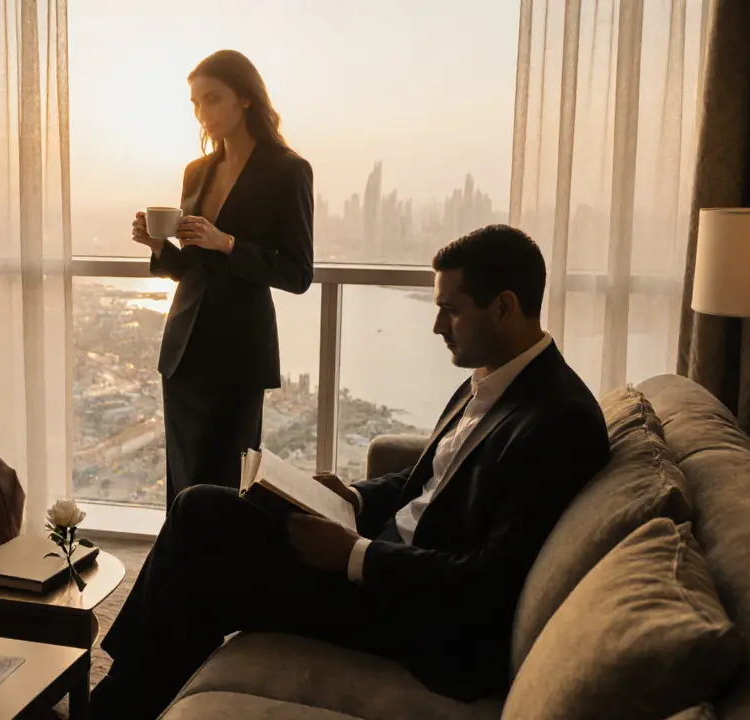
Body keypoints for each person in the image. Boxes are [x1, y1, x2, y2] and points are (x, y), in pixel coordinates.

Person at [92, 225, 611, 719]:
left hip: (417, 613)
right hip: (381, 550)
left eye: (450, 311)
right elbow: (431, 479)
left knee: (204, 581)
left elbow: (487, 582)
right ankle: (120, 681)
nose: (437, 327)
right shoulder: (494, 376)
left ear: (504, 307)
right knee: (198, 506)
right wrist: (354, 499)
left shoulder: (559, 421)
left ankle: (114, 706)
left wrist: (353, 556)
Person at [131, 50, 314, 510]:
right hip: (184, 353)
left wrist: (228, 243)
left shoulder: (287, 171)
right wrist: (158, 247)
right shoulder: (197, 172)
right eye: (195, 103)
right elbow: (192, 270)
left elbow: (297, 273)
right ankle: (181, 557)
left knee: (226, 487)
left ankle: (223, 559)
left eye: (212, 99)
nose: (202, 113)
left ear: (246, 98)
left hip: (238, 355)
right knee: (183, 481)